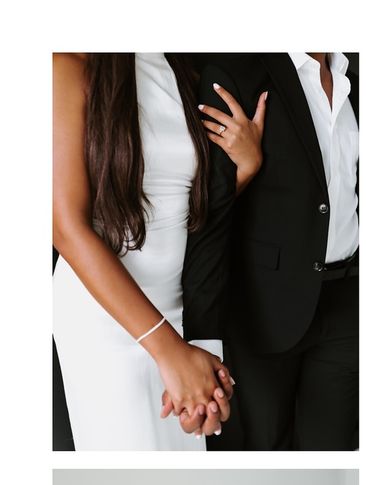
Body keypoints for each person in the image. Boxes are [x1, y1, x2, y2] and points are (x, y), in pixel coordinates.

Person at [52, 53, 263, 449]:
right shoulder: (67, 63)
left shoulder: (181, 68)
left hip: (180, 315)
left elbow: (181, 212)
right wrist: (168, 351)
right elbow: (65, 227)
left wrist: (245, 170)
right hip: (105, 323)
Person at [181, 53, 359, 450]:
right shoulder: (235, 69)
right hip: (263, 307)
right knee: (264, 448)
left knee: (332, 449)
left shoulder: (355, 79)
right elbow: (200, 213)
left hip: (347, 299)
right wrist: (201, 340)